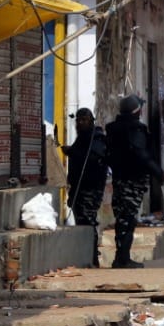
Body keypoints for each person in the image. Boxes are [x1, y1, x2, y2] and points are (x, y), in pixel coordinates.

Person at [104, 95, 164, 269]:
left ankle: (121, 257)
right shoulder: (135, 130)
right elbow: (141, 154)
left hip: (119, 178)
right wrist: (158, 172)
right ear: (137, 110)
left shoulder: (113, 129)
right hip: (133, 180)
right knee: (128, 219)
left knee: (122, 218)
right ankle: (123, 259)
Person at [62, 108, 107, 267]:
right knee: (81, 222)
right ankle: (85, 257)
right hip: (78, 189)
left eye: (84, 120)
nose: (80, 123)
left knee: (88, 223)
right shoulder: (81, 139)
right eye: (78, 120)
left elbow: (92, 159)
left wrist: (72, 152)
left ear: (91, 121)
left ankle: (92, 258)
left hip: (90, 189)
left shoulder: (97, 139)